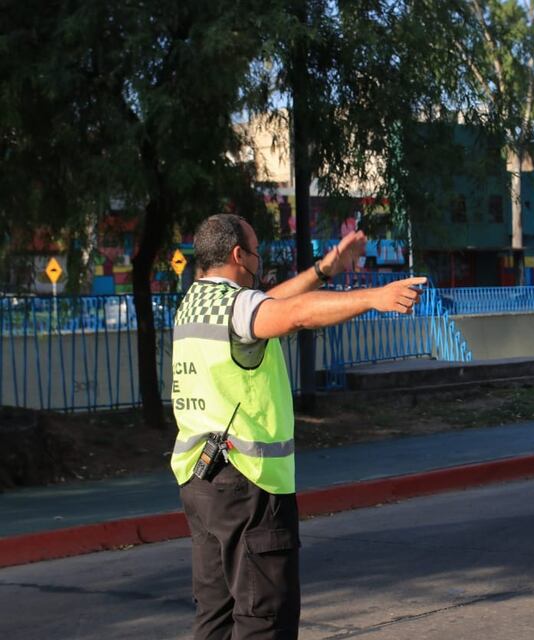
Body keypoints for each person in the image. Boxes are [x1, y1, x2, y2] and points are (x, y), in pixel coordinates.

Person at [170, 213, 425, 639]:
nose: (259, 259)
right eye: (256, 251)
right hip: (247, 482)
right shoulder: (236, 307)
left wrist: (325, 270)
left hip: (202, 481)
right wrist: (373, 297)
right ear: (238, 255)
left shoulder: (197, 302)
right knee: (264, 618)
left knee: (216, 616)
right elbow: (295, 314)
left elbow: (272, 305)